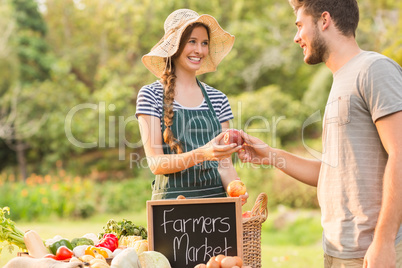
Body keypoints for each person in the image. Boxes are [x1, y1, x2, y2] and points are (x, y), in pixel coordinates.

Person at [238, 0, 402, 267]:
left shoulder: (373, 69)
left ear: (324, 20)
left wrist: (383, 242)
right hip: (338, 251)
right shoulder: (340, 80)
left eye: (300, 25)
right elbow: (332, 173)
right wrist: (270, 155)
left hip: (373, 251)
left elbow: (400, 154)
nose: (295, 37)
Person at [136, 9, 248, 203]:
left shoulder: (218, 98)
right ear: (175, 46)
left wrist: (236, 190)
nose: (200, 50)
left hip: (216, 209)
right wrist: (203, 154)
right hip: (172, 209)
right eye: (192, 42)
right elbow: (156, 163)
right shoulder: (151, 95)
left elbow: (224, 163)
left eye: (204, 43)